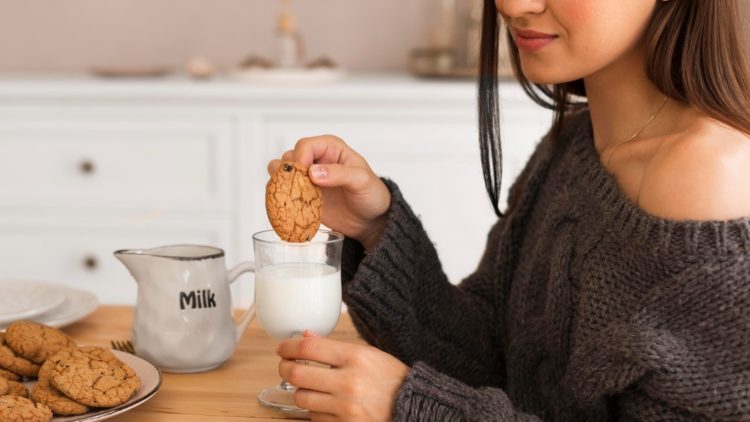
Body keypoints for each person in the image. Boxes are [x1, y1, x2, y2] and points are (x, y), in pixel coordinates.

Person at [267, 0, 750, 420]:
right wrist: (374, 226)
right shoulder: (574, 141)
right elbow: (495, 352)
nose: (513, 6)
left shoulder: (710, 179)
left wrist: (411, 408)